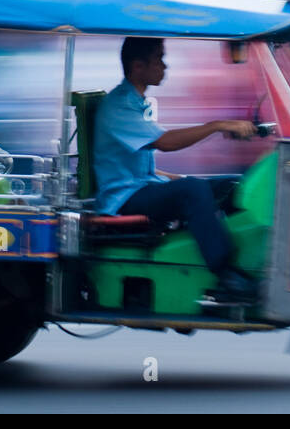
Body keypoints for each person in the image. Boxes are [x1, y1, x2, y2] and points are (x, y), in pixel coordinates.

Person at [92, 36, 259, 303]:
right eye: (159, 58)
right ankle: (225, 275)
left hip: (141, 187)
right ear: (137, 67)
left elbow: (142, 169)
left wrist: (177, 180)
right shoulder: (119, 106)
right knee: (193, 190)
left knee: (230, 185)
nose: (164, 66)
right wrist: (218, 125)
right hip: (122, 201)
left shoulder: (136, 102)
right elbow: (165, 142)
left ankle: (243, 262)